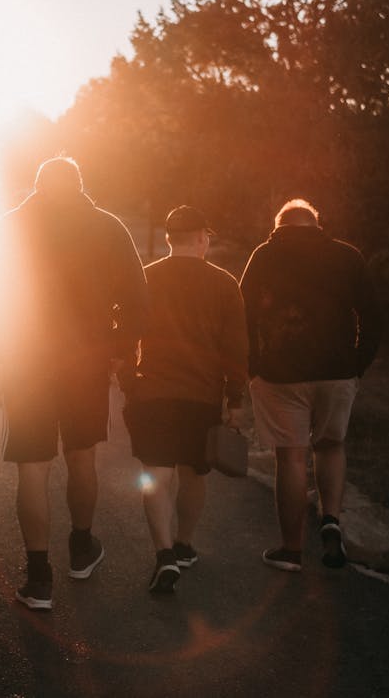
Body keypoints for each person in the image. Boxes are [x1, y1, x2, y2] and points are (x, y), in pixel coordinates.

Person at [0, 156, 147, 610]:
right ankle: (81, 547)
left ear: (37, 186)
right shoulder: (107, 226)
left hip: (25, 361)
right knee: (81, 457)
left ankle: (38, 578)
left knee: (32, 468)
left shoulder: (10, 225)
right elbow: (137, 296)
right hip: (85, 362)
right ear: (79, 185)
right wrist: (119, 347)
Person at [239, 198, 382, 572]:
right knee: (331, 446)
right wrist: (357, 364)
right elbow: (372, 314)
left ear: (279, 225)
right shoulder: (346, 256)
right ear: (316, 224)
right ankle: (331, 522)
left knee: (291, 455)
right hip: (337, 372)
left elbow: (243, 313)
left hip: (281, 375)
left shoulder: (264, 255)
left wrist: (252, 366)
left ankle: (291, 551)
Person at [123, 206, 248, 593]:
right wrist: (235, 398)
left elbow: (126, 334)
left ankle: (163, 554)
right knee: (194, 473)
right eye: (207, 237)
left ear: (168, 239)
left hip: (153, 394)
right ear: (200, 238)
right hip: (202, 395)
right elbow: (236, 348)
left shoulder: (145, 278)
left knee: (156, 475)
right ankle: (185, 544)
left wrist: (130, 385)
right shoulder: (225, 284)